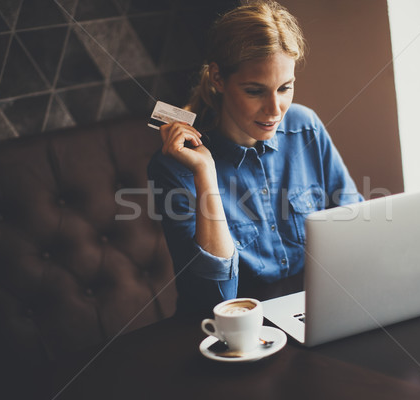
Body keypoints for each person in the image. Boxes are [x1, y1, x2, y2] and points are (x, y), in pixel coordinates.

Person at [148, 0, 362, 313]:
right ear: (218, 78)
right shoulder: (174, 168)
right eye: (255, 91)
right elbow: (216, 300)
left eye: (285, 88)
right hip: (227, 329)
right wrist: (206, 174)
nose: (275, 110)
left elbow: (354, 231)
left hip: (311, 310)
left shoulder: (305, 128)